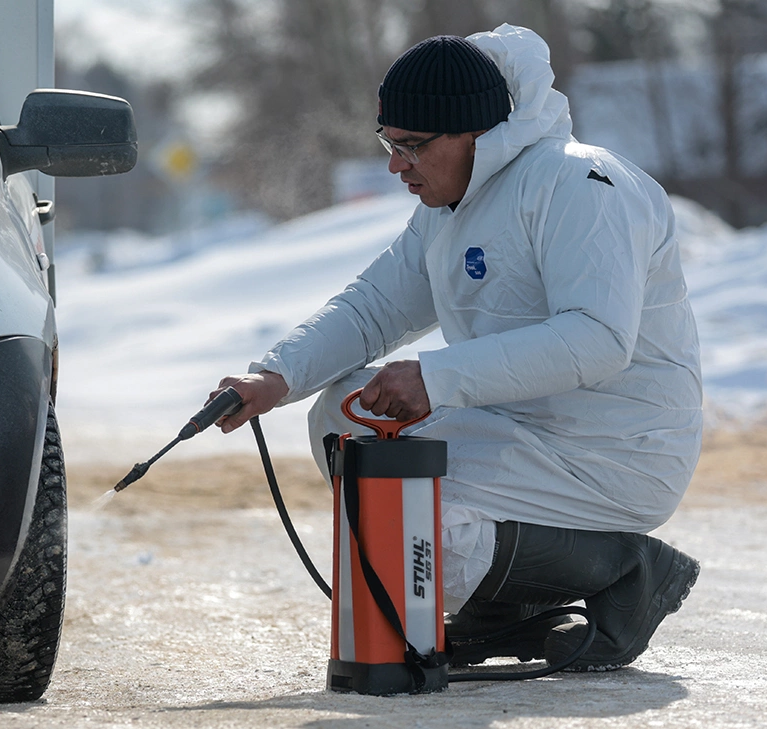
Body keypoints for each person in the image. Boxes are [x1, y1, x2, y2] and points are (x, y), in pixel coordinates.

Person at [212, 24, 702, 671]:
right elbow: (374, 307)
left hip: (617, 451)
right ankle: (509, 604)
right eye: (388, 142)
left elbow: (598, 339)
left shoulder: (581, 184)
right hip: (523, 432)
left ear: (477, 133)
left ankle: (628, 571)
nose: (395, 163)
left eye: (411, 145)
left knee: (405, 534)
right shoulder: (451, 207)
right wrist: (274, 377)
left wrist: (437, 378)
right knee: (347, 420)